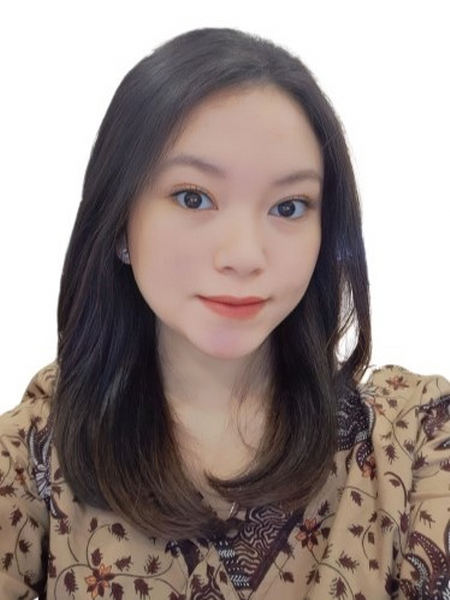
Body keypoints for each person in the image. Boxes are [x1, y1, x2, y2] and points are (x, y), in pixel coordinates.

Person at [0, 27, 449, 600]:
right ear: (119, 222)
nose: (244, 255)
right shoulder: (26, 464)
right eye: (194, 197)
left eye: (289, 207)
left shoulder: (413, 444)